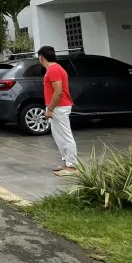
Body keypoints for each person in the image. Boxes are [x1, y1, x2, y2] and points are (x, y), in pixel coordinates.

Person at [37, 45, 77, 176]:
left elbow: (58, 92)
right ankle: (66, 162)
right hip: (56, 107)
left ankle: (72, 166)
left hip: (59, 107)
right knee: (59, 137)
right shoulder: (53, 69)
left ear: (41, 57)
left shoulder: (53, 70)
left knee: (65, 136)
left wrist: (50, 109)